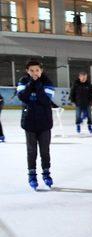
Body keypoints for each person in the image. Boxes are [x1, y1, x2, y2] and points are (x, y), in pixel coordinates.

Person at [16, 59, 56, 190]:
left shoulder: (47, 82)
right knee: (31, 151)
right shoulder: (23, 81)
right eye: (32, 70)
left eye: (37, 70)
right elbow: (22, 96)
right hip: (29, 122)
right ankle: (32, 175)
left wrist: (37, 84)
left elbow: (45, 100)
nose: (35, 72)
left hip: (44, 123)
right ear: (27, 71)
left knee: (45, 151)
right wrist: (31, 83)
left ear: (41, 70)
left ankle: (46, 174)